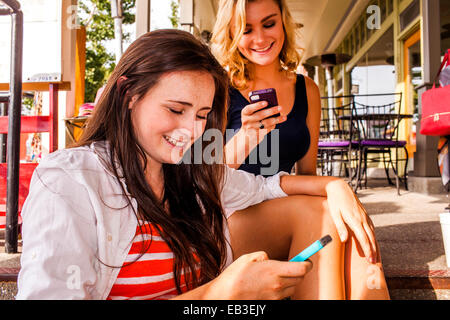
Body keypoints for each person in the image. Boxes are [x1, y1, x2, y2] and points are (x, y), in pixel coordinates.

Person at [16, 29, 317, 300]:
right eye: (176, 109)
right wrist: (220, 293)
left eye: (201, 115)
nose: (192, 130)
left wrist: (338, 188)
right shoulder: (69, 181)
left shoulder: (188, 174)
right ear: (127, 93)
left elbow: (267, 186)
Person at [211, 0, 390, 299]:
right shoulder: (218, 88)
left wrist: (337, 190)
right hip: (230, 218)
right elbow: (206, 176)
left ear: (283, 22)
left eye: (269, 23)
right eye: (246, 29)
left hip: (288, 205)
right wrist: (245, 136)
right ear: (231, 34)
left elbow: (308, 172)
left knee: (347, 218)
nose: (260, 39)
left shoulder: (307, 89)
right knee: (322, 212)